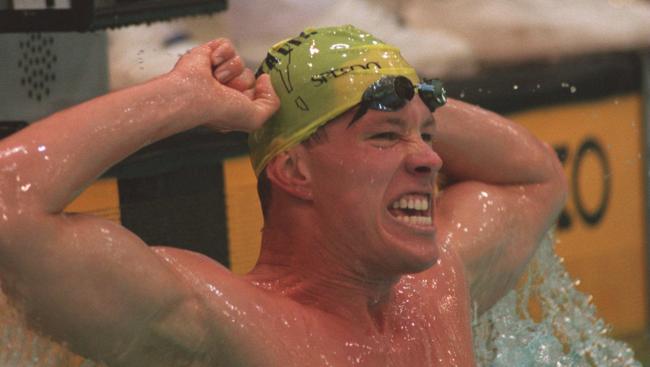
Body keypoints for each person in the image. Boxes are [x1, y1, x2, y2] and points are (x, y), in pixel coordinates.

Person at [0, 25, 566, 366]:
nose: (429, 159)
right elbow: (9, 209)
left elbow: (535, 176)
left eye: (429, 135)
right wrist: (180, 99)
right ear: (294, 170)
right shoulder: (225, 327)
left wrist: (405, 99)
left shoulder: (437, 288)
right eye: (385, 137)